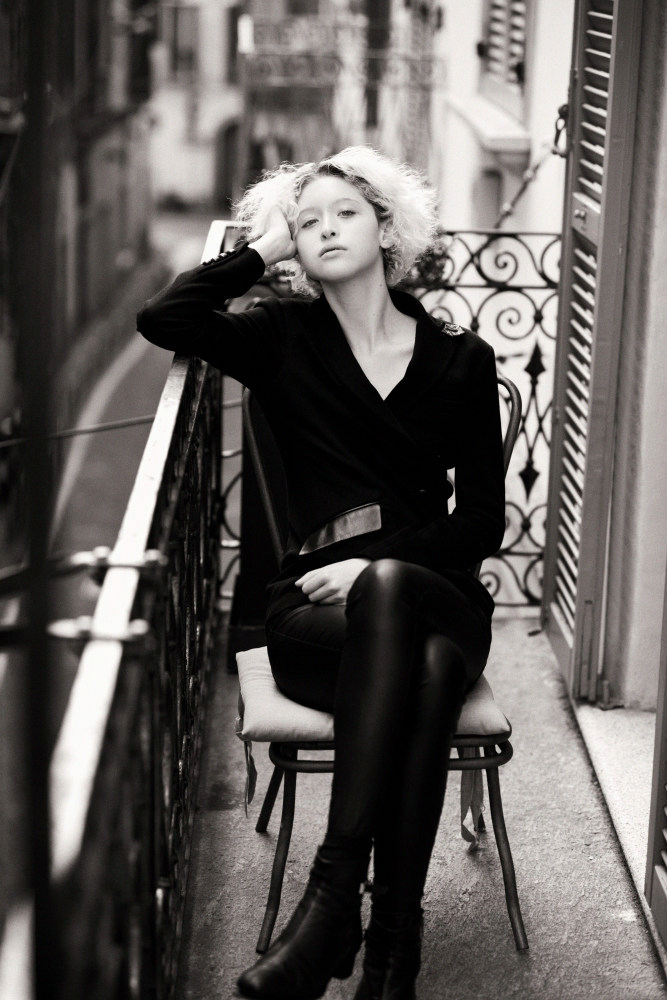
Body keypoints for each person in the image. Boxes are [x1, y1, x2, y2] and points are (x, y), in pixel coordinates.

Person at [137, 145, 505, 1000]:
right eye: (308, 223)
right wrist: (259, 249)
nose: (325, 229)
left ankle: (334, 904)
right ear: (292, 252)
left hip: (432, 593)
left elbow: (479, 524)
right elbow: (167, 318)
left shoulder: (460, 360)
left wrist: (379, 563)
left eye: (344, 213)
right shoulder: (279, 337)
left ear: (386, 230)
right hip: (311, 618)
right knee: (422, 675)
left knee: (394, 604)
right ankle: (388, 955)